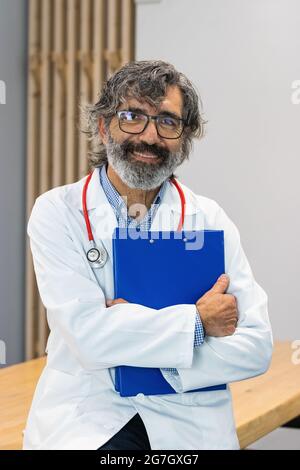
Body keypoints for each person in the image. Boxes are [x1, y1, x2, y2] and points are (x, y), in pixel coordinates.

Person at [23, 60, 273, 450]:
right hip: (89, 417)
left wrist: (134, 338)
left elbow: (256, 346)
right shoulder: (57, 212)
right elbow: (87, 336)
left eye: (168, 122)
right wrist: (196, 323)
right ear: (104, 126)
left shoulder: (209, 219)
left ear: (184, 138)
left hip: (189, 417)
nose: (150, 136)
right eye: (132, 117)